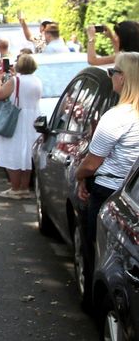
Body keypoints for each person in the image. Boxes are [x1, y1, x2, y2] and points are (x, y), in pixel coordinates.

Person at [74, 52, 139, 298]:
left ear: (124, 79)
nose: (111, 76)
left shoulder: (117, 117)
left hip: (109, 192)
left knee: (98, 252)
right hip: (134, 193)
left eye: (113, 72)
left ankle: (95, 304)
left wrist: (80, 176)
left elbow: (91, 164)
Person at [0, 53, 42, 199]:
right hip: (32, 119)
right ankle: (24, 187)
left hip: (16, 119)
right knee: (26, 155)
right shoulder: (37, 80)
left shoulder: (15, 80)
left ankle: (15, 187)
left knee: (12, 153)